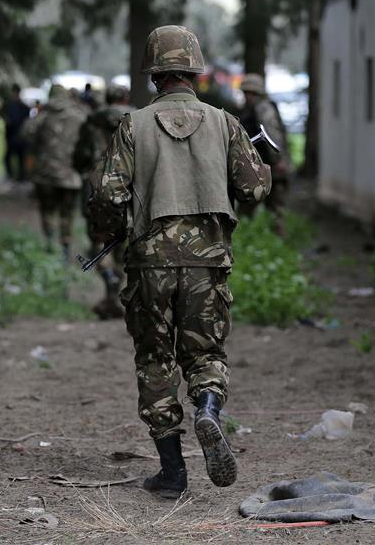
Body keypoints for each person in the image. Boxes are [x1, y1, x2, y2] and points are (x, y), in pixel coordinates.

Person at [87, 25, 272, 498]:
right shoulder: (226, 123)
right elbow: (254, 189)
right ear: (195, 71)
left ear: (155, 76)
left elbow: (108, 193)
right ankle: (207, 410)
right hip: (209, 263)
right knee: (205, 354)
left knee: (155, 359)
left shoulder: (132, 126)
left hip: (149, 262)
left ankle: (172, 472)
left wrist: (111, 229)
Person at [73, 84, 135, 319]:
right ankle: (114, 292)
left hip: (97, 189)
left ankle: (108, 281)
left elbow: (80, 155)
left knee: (99, 242)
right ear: (126, 97)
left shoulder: (92, 121)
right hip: (128, 188)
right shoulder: (138, 118)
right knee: (121, 242)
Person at [25, 84, 88, 256]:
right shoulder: (80, 116)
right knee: (67, 214)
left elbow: (26, 133)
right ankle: (65, 247)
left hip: (45, 175)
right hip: (71, 175)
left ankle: (49, 243)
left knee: (47, 210)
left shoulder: (43, 115)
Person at [237, 73, 289, 235]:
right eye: (245, 92)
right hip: (258, 167)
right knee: (248, 208)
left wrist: (278, 160)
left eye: (249, 93)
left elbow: (272, 136)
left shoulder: (263, 109)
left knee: (275, 210)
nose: (247, 96)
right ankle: (249, 240)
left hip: (270, 167)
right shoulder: (252, 110)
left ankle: (278, 244)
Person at [3, 83, 30, 181]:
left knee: (20, 158)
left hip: (17, 137)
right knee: (13, 158)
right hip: (14, 137)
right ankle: (15, 176)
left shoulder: (20, 107)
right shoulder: (13, 106)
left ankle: (20, 177)